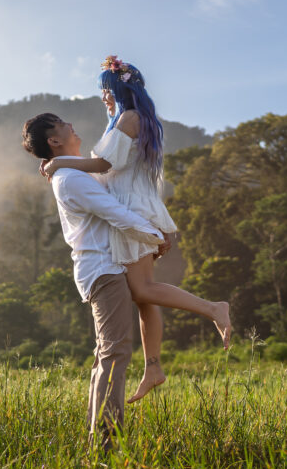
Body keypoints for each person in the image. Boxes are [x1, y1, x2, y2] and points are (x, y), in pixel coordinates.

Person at [39, 56, 231, 404]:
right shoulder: (126, 119)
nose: (102, 97)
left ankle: (213, 308)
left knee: (143, 289)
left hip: (132, 209)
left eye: (104, 90)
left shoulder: (129, 118)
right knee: (143, 296)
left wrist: (59, 162)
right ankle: (153, 366)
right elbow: (111, 162)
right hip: (136, 205)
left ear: (117, 89)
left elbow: (103, 163)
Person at [22, 112, 168, 451]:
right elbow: (112, 210)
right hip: (102, 269)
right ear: (53, 140)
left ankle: (99, 440)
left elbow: (104, 163)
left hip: (102, 267)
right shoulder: (70, 179)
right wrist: (155, 235)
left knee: (108, 353)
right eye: (61, 123)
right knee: (115, 353)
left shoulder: (70, 171)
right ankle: (104, 443)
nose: (71, 123)